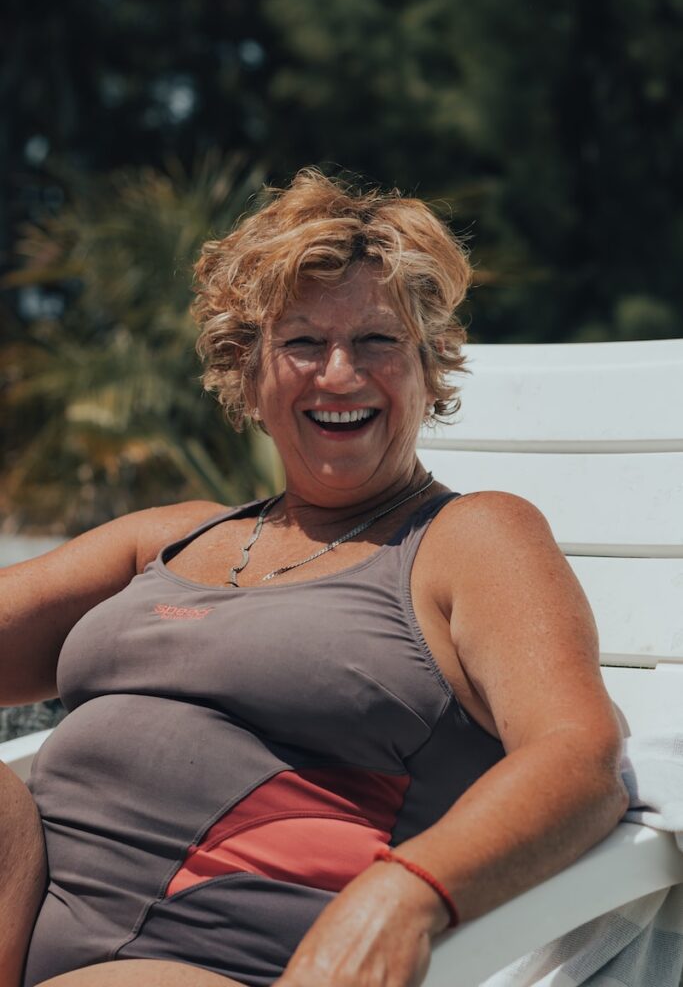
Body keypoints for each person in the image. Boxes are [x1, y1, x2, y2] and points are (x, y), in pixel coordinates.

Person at [0, 169, 628, 987]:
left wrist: (407, 893)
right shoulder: (166, 538)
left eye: (376, 341)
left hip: (218, 965)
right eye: (301, 342)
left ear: (428, 370)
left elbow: (579, 758)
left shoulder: (468, 538)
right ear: (247, 373)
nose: (339, 374)